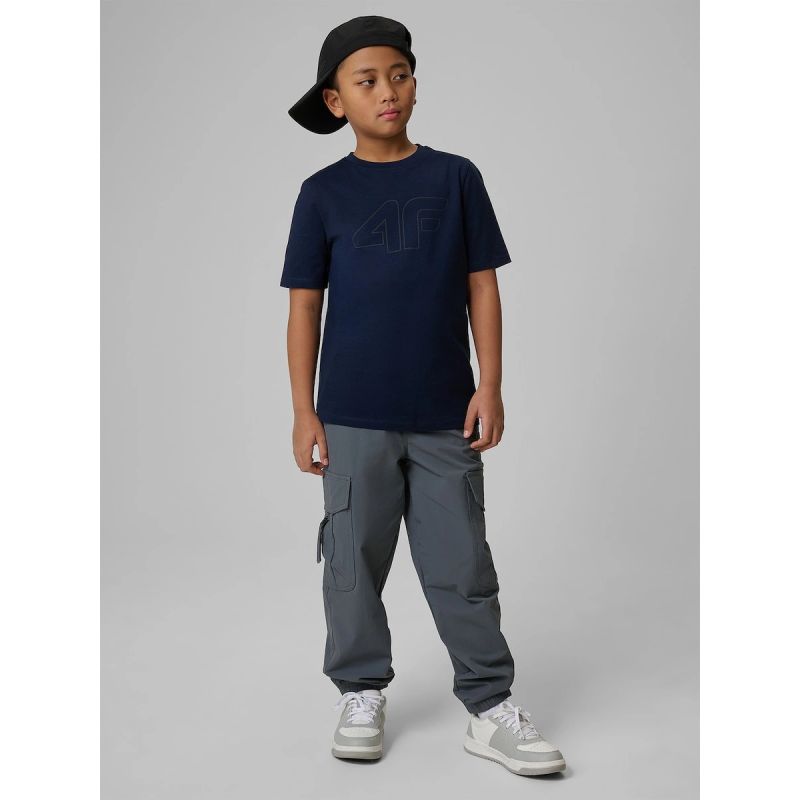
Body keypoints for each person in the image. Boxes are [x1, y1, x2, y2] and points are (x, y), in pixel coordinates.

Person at [280, 15, 567, 777]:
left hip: (445, 414)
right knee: (351, 562)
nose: (388, 91)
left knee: (463, 565)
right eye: (367, 80)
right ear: (336, 100)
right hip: (351, 418)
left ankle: (490, 708)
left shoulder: (455, 178)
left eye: (399, 74)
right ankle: (360, 691)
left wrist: (490, 384)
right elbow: (305, 306)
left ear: (415, 83)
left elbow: (482, 286)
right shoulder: (322, 194)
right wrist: (304, 411)